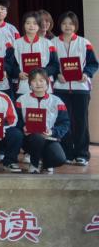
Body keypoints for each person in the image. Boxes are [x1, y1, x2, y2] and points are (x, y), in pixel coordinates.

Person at [51, 11, 96, 166]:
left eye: (71, 23)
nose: (67, 26)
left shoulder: (84, 43)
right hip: (60, 89)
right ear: (60, 25)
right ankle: (67, 154)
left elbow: (93, 63)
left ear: (76, 25)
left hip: (80, 88)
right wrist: (57, 74)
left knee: (81, 121)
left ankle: (82, 154)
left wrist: (86, 73)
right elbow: (51, 64)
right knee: (64, 121)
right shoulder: (53, 43)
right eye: (64, 23)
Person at [17, 68, 69, 173]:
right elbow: (16, 121)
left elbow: (65, 123)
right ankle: (34, 164)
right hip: (29, 139)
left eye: (41, 80)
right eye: (34, 80)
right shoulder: (21, 100)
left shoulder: (57, 101)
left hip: (48, 137)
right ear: (29, 84)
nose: (38, 83)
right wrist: (23, 127)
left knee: (60, 159)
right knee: (37, 137)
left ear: (47, 83)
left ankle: (46, 164)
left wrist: (52, 132)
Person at [11, 11, 57, 97]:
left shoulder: (48, 43)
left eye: (35, 23)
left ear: (39, 26)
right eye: (28, 23)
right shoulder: (16, 44)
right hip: (22, 86)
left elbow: (55, 65)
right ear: (24, 25)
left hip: (43, 86)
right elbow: (11, 64)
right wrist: (18, 73)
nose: (31, 26)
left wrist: (44, 72)